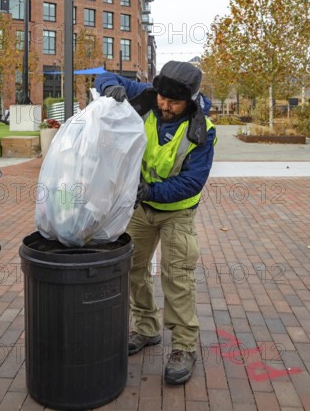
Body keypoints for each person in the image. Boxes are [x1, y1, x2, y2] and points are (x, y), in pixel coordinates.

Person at [95, 61, 216, 385]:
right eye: (162, 97)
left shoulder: (201, 130)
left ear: (189, 100)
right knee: (132, 267)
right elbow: (102, 74)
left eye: (173, 102)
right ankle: (147, 328)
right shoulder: (149, 97)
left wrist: (151, 189)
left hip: (177, 211)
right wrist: (109, 87)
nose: (164, 105)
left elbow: (192, 182)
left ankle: (184, 347)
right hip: (142, 208)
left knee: (177, 277)